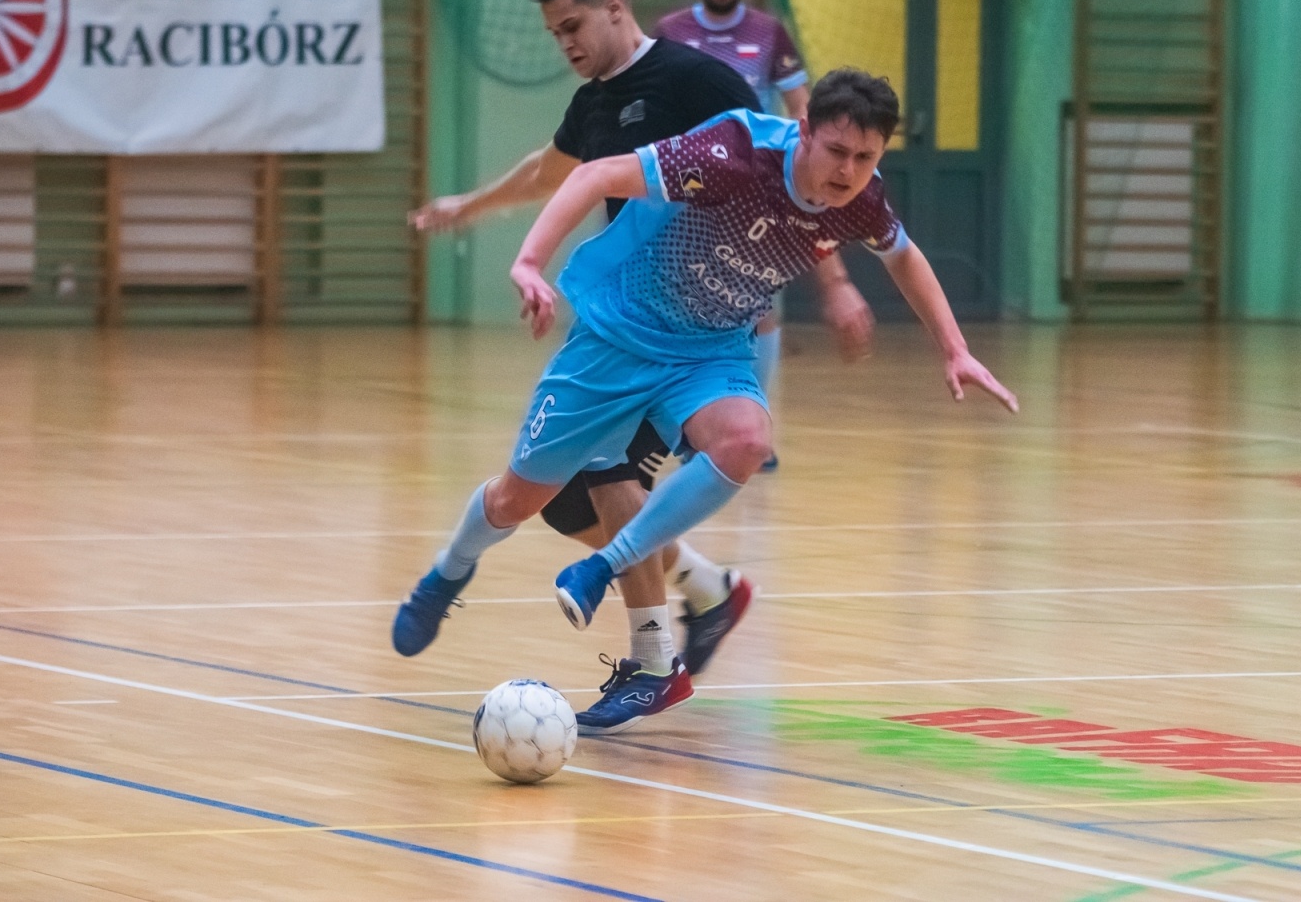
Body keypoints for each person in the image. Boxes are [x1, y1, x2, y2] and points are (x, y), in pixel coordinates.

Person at [405, 68, 1016, 685]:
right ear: (803, 131)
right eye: (836, 151)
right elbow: (592, 174)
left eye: (866, 157)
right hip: (622, 331)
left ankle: (610, 579)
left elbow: (903, 255)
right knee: (517, 499)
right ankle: (448, 571)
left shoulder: (862, 196)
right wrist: (531, 262)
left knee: (747, 440)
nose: (848, 170)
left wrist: (955, 348)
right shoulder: (735, 153)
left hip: (712, 349)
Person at [397, 0, 873, 735]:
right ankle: (710, 591)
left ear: (616, 6)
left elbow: (808, 182)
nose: (566, 44)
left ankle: (655, 661)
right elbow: (548, 172)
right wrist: (470, 206)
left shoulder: (699, 84)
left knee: (606, 475)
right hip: (630, 320)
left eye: (573, 25)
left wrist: (833, 285)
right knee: (562, 502)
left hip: (701, 333)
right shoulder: (594, 103)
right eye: (555, 34)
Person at [655, 0, 813, 471]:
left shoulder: (768, 33)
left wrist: (796, 169)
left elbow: (801, 109)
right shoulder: (671, 32)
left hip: (750, 193)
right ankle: (686, 429)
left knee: (760, 312)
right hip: (682, 192)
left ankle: (754, 427)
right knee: (678, 310)